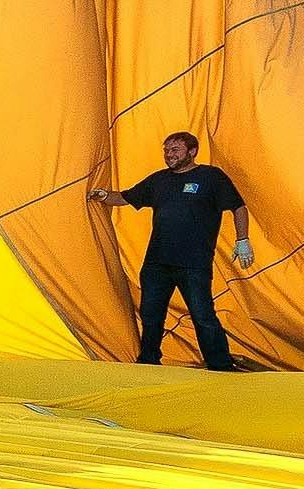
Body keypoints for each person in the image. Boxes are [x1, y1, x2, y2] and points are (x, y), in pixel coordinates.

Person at [97, 132, 255, 371]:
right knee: (151, 315)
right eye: (167, 150)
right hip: (157, 262)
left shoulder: (211, 177)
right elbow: (127, 197)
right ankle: (148, 361)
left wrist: (242, 239)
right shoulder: (159, 180)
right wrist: (103, 196)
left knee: (202, 315)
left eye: (175, 150)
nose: (169, 155)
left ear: (192, 152)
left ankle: (220, 365)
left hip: (194, 262)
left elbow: (238, 207)